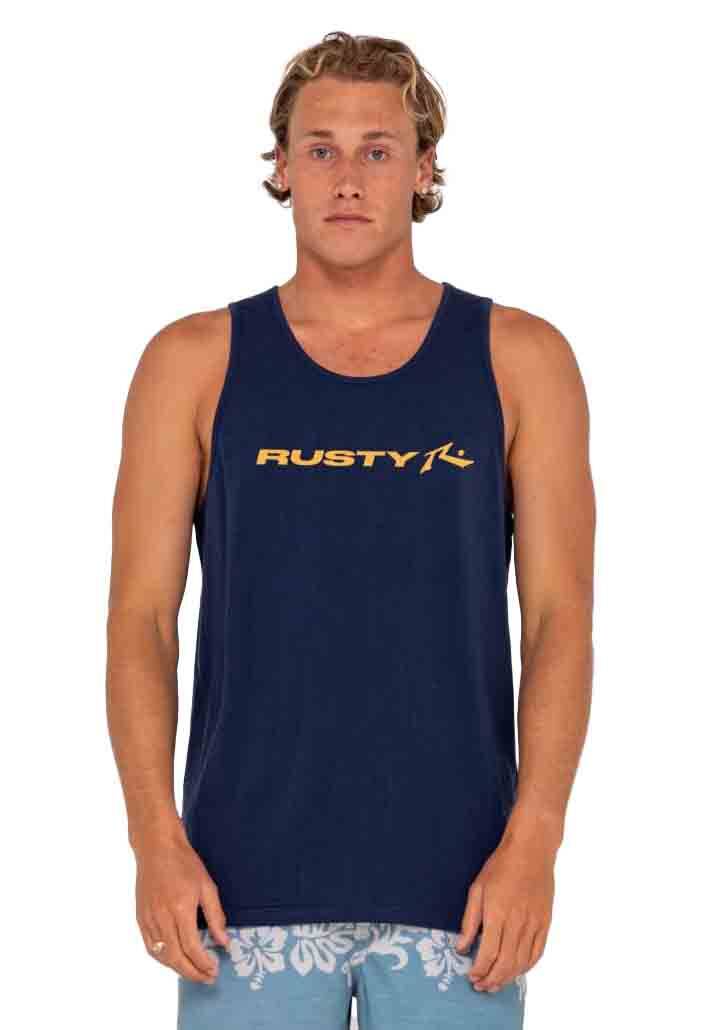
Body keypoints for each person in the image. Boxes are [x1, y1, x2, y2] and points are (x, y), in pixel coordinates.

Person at [106, 30, 595, 1030]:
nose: (347, 177)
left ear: (423, 169)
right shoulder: (192, 361)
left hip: (465, 890)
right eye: (320, 148)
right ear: (281, 166)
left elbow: (559, 618)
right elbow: (142, 620)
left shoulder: (520, 358)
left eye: (377, 149)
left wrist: (534, 842)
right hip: (238, 887)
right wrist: (154, 838)